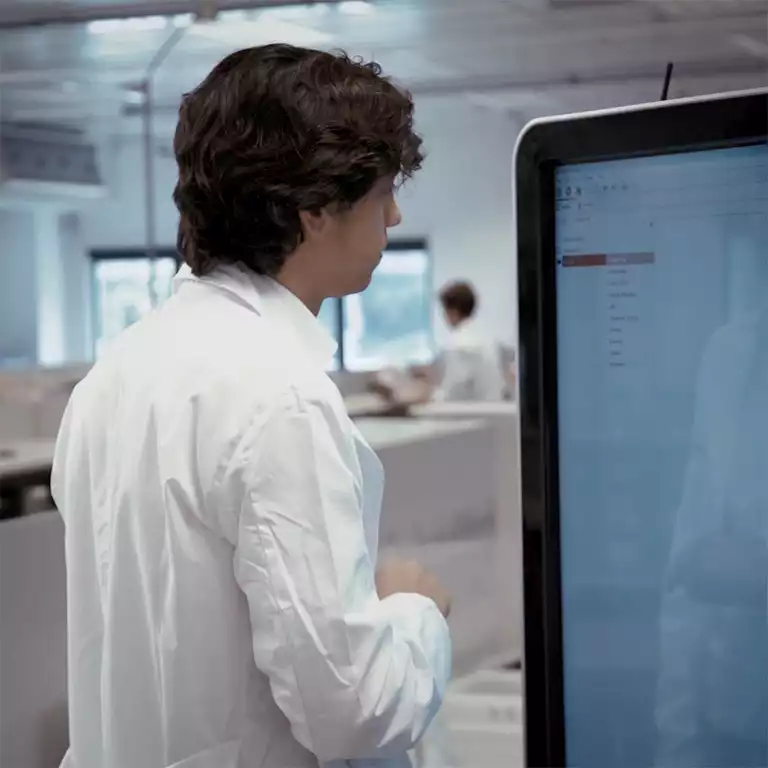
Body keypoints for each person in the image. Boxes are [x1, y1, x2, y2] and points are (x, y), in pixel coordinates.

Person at [52, 45, 452, 768]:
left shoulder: (111, 378)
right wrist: (416, 613)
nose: (394, 216)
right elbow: (352, 709)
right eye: (382, 192)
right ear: (314, 210)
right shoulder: (279, 396)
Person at [432, 281, 506, 402]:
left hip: (472, 410)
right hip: (495, 407)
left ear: (453, 312)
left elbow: (452, 393)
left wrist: (426, 395)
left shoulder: (457, 345)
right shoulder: (489, 339)